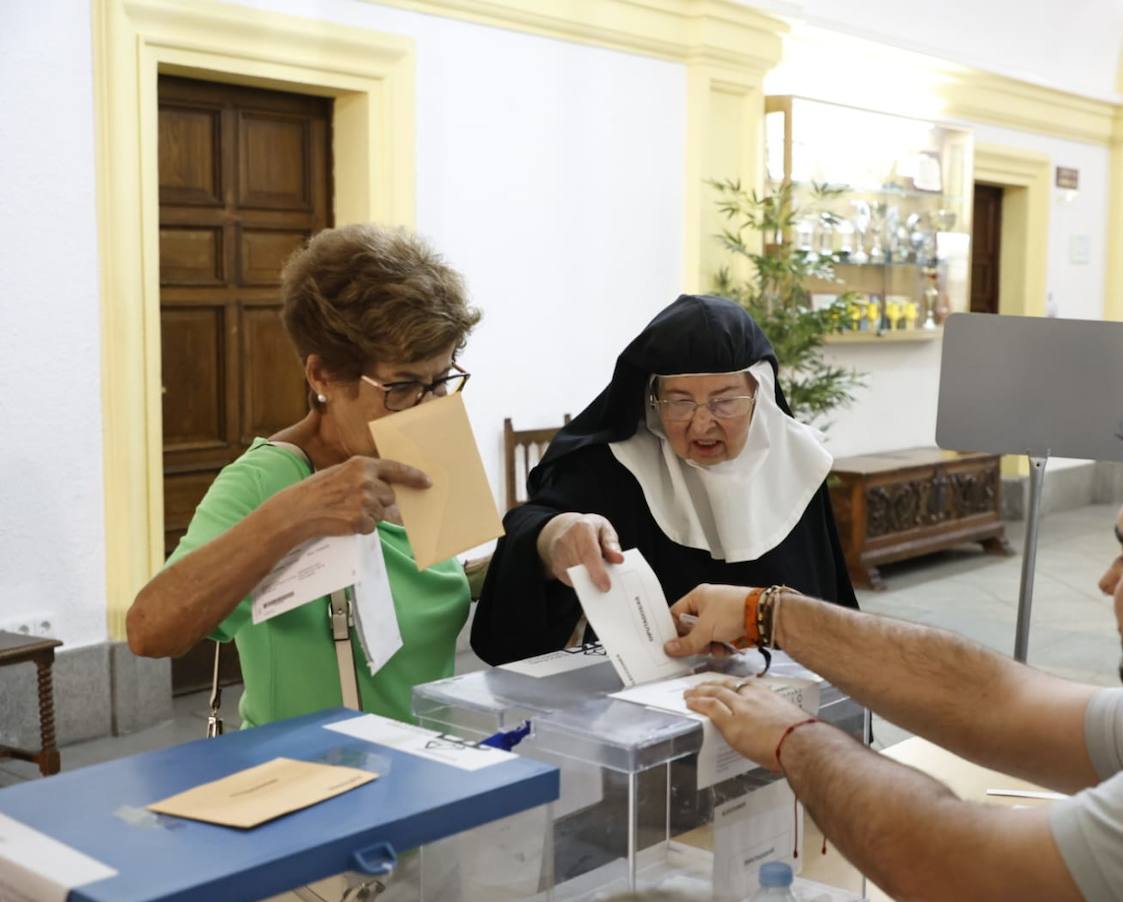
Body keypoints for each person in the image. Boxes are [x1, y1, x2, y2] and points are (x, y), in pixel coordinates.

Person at [666, 385, 1123, 902]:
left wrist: (793, 738)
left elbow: (950, 865)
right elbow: (1001, 702)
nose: (1107, 581)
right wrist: (769, 613)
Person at [127, 224, 482, 728]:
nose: (428, 406)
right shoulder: (268, 478)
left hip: (431, 768)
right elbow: (149, 631)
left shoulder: (428, 445)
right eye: (402, 386)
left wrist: (544, 545)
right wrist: (296, 513)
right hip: (309, 782)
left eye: (442, 379)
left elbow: (424, 586)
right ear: (321, 376)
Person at [472, 294, 857, 664]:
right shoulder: (617, 463)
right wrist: (554, 534)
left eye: (724, 401)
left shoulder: (795, 460)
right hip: (650, 700)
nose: (702, 423)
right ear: (652, 400)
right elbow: (529, 525)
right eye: (680, 402)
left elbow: (828, 599)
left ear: (759, 392)